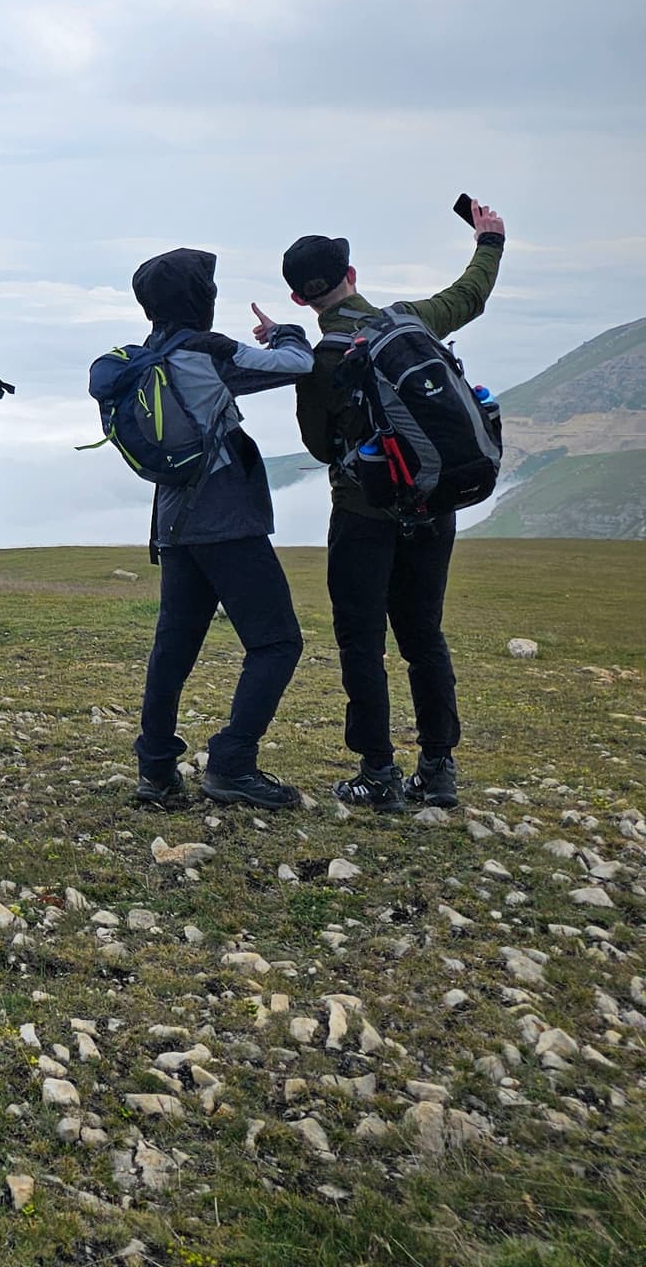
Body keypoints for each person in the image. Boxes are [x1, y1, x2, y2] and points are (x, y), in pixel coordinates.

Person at [284, 200, 506, 812]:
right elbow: (469, 297)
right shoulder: (408, 321)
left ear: (302, 299)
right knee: (423, 635)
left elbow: (317, 444)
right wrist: (490, 241)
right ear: (351, 273)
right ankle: (437, 768)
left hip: (362, 512)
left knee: (362, 639)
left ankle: (377, 772)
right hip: (433, 504)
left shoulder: (320, 357)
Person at [120, 251, 314, 811]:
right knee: (277, 641)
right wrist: (285, 331)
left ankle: (156, 770)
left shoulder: (147, 359)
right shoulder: (206, 352)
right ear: (197, 298)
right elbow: (295, 364)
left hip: (173, 521)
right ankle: (232, 763)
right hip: (226, 516)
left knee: (174, 646)